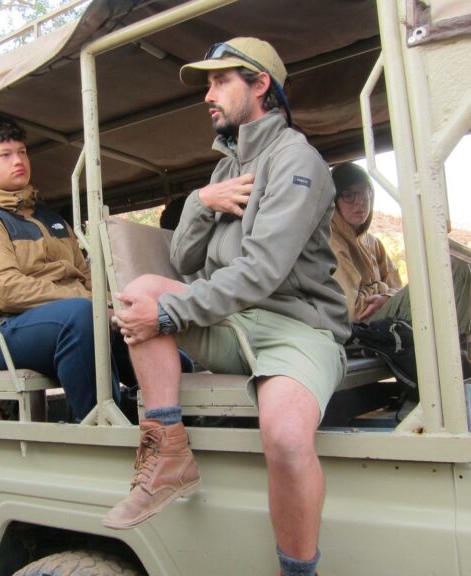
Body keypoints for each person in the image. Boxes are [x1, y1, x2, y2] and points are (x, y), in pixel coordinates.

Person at [103, 37, 350, 576]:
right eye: (208, 84)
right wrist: (199, 202)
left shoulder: (297, 161)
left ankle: (297, 570)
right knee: (139, 290)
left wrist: (168, 316)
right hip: (230, 322)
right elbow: (184, 258)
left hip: (295, 328)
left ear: (261, 85)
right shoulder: (224, 171)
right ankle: (168, 450)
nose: (208, 96)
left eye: (220, 82)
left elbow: (262, 271)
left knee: (285, 438)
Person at [0, 115, 135, 422]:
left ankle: (174, 418)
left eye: (22, 152)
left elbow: (86, 274)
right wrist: (93, 304)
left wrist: (113, 303)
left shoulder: (49, 217)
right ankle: (98, 430)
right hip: (2, 333)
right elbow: (8, 292)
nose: (18, 161)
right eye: (5, 155)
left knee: (139, 319)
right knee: (81, 317)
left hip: (66, 317)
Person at [330, 162, 470, 335]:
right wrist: (383, 290)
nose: (359, 202)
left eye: (364, 192)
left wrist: (385, 296)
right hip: (360, 329)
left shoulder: (372, 243)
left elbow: (396, 288)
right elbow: (354, 309)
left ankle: (459, 349)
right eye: (349, 195)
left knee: (461, 269)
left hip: (383, 318)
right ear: (334, 200)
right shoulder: (332, 242)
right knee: (455, 269)